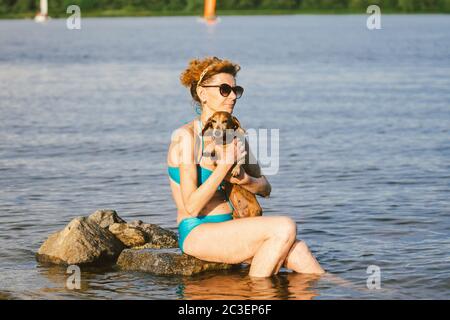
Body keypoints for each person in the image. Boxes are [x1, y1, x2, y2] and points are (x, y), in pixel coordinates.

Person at [167, 56, 325, 277]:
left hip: (237, 225)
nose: (232, 97)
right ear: (203, 94)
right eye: (224, 90)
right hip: (199, 231)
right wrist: (224, 166)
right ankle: (256, 296)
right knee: (285, 226)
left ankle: (347, 290)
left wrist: (245, 179)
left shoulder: (236, 136)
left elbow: (266, 189)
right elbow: (191, 206)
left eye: (236, 90)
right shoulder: (187, 137)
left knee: (300, 251)